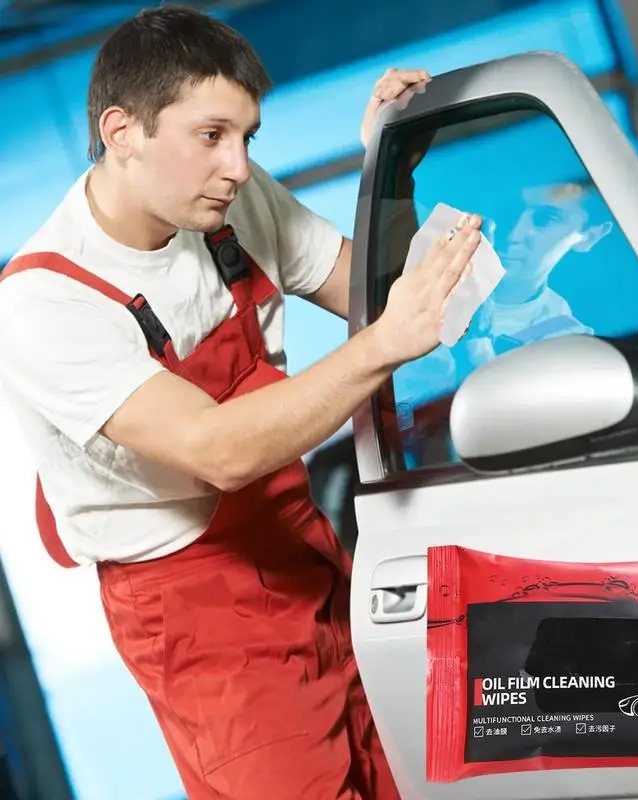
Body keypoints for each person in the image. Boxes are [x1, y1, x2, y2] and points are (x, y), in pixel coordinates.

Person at [0, 6, 482, 799]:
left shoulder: (229, 202)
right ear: (122, 132)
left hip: (303, 548)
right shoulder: (47, 303)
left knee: (408, 779)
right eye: (211, 136)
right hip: (198, 615)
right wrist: (385, 343)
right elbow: (219, 450)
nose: (238, 166)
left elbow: (374, 298)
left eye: (247, 137)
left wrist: (390, 164)